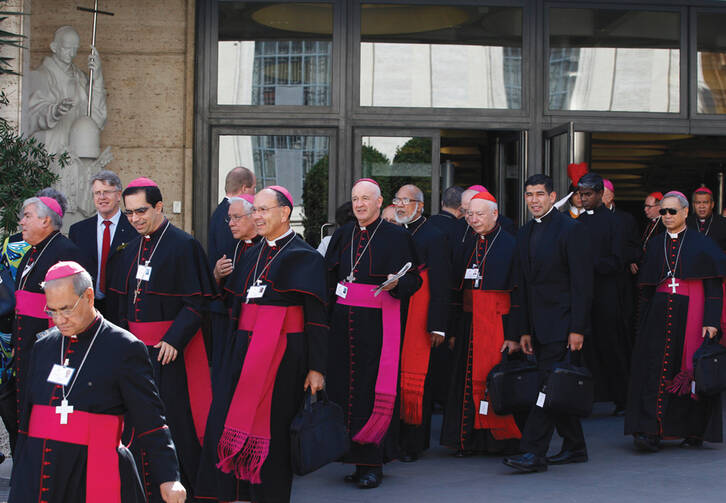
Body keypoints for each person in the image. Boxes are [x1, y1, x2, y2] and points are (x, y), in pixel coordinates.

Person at [9, 261, 186, 503]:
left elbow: (151, 419)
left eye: (66, 309)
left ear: (89, 296)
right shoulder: (43, 347)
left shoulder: (124, 347)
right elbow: (27, 419)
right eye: (52, 311)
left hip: (93, 469)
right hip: (38, 472)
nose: (59, 320)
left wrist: (169, 477)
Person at [197, 186, 328, 503]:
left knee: (274, 426)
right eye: (254, 210)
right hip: (244, 352)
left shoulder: (305, 257)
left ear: (285, 213)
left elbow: (317, 319)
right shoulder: (251, 253)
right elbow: (234, 305)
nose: (256, 216)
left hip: (285, 357)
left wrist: (317, 368)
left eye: (263, 210)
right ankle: (241, 492)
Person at [109, 177, 215, 502]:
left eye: (141, 211)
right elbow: (123, 300)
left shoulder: (184, 245)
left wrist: (174, 339)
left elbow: (198, 300)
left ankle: (189, 491)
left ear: (159, 206)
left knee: (176, 424)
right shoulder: (131, 248)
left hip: (170, 354)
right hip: (136, 353)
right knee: (138, 422)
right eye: (128, 213)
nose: (135, 219)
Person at [325, 178, 421, 489]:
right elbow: (329, 276)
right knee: (344, 391)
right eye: (355, 199)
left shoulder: (395, 236)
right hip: (343, 326)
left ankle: (372, 464)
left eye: (366, 198)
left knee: (370, 391)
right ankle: (353, 457)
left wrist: (398, 283)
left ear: (380, 203)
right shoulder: (343, 234)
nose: (359, 204)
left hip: (377, 326)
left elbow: (414, 281)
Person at [503, 174, 593, 473]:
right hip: (538, 326)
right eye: (529, 195)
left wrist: (577, 328)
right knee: (556, 385)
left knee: (546, 387)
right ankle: (575, 446)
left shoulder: (572, 229)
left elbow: (582, 284)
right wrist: (524, 330)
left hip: (564, 324)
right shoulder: (525, 231)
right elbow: (525, 285)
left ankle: (533, 452)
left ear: (553, 197)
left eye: (539, 194)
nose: (533, 200)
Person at [626, 191, 726, 451]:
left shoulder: (702, 244)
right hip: (660, 316)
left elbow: (714, 287)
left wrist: (712, 321)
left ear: (684, 213)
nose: (667, 216)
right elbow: (646, 288)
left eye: (672, 211)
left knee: (691, 373)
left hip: (691, 314)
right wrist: (642, 323)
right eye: (663, 212)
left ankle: (692, 430)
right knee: (655, 372)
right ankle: (651, 430)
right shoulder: (656, 243)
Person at [441, 191, 521, 456]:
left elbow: (519, 294)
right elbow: (455, 291)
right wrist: (452, 330)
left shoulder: (511, 245)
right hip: (467, 325)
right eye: (470, 214)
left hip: (498, 325)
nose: (473, 219)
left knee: (494, 380)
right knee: (464, 382)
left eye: (479, 214)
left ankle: (497, 441)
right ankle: (467, 440)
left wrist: (514, 333)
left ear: (495, 214)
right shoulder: (465, 244)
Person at [11, 192, 87, 418]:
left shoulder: (65, 251)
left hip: (51, 347)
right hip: (27, 345)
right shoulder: (31, 253)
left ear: (45, 220)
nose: (21, 222)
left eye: (26, 216)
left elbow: (75, 305)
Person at [393, 184, 450, 463]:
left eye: (407, 200)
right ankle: (398, 437)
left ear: (420, 206)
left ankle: (415, 444)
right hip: (398, 312)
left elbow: (441, 283)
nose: (401, 205)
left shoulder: (434, 235)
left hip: (422, 315)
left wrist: (438, 324)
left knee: (419, 381)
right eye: (398, 200)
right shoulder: (396, 231)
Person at [576, 173, 629, 414]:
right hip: (584, 294)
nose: (583, 199)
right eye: (580, 194)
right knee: (585, 349)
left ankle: (622, 398)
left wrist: (588, 264)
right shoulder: (578, 222)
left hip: (607, 294)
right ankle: (587, 398)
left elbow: (618, 260)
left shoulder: (615, 222)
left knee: (610, 346)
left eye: (588, 194)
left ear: (600, 194)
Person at [26, 25, 107, 156]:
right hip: (51, 150)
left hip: (78, 151)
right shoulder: (40, 76)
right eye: (67, 48)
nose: (72, 53)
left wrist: (97, 77)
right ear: (54, 47)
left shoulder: (81, 79)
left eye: (75, 48)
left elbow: (97, 118)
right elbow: (30, 116)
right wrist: (55, 111)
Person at [69, 170, 136, 321]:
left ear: (118, 195)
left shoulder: (134, 229)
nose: (101, 197)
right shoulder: (78, 231)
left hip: (122, 309)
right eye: (97, 193)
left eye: (107, 192)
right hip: (88, 307)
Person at [426, 185, 465, 409]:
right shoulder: (460, 231)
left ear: (442, 204)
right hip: (451, 300)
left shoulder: (428, 225)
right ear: (461, 209)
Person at [604, 179, 642, 356]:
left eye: (603, 192)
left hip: (621, 278)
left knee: (622, 323)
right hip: (599, 279)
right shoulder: (587, 218)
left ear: (612, 195)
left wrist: (626, 257)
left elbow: (635, 247)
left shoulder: (626, 219)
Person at [208, 167, 256, 270]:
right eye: (253, 188)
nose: (231, 223)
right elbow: (229, 255)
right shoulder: (229, 211)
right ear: (244, 189)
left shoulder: (219, 211)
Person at [212, 194, 259, 287]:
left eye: (236, 217)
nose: (230, 223)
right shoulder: (230, 250)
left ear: (253, 216)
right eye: (229, 218)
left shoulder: (267, 247)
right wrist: (216, 276)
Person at [686, 186, 726, 251]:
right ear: (693, 205)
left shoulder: (723, 223)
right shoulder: (685, 223)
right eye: (698, 202)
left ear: (712, 204)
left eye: (705, 202)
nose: (702, 206)